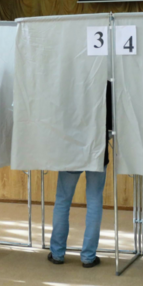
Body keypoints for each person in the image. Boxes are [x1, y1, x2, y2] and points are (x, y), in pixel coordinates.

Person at [48, 82, 113, 268]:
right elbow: (111, 121)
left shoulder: (68, 79)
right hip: (97, 149)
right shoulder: (105, 81)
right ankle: (88, 257)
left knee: (63, 200)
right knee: (94, 201)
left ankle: (57, 254)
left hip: (70, 148)